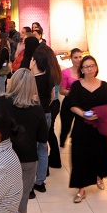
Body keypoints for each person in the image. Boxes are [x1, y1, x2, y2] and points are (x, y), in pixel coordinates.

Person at [0, 68, 47, 213]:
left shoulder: (0, 103)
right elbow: (42, 137)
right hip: (27, 159)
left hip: (2, 157)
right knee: (22, 197)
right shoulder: (37, 109)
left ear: (12, 81)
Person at [66, 55, 107, 203]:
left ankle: (98, 176)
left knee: (99, 154)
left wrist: (97, 113)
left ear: (96, 67)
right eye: (86, 66)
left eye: (92, 65)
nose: (90, 69)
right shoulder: (76, 86)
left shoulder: (103, 85)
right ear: (81, 69)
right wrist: (84, 114)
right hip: (82, 126)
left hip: (99, 126)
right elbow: (72, 105)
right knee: (80, 157)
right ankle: (81, 189)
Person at [30, 46, 54, 194]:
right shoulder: (49, 76)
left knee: (32, 150)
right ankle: (40, 182)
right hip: (47, 114)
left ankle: (31, 182)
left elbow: (33, 100)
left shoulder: (32, 79)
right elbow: (52, 96)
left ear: (35, 61)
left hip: (34, 117)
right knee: (43, 149)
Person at [40, 45, 62, 169]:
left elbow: (49, 92)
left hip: (50, 104)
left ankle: (52, 160)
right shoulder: (56, 68)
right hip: (55, 103)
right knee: (50, 132)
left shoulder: (47, 71)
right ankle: (55, 159)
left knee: (47, 133)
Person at [59, 48, 83, 147]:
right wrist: (75, 93)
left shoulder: (85, 72)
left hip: (82, 104)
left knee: (80, 127)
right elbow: (62, 90)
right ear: (71, 59)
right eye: (75, 57)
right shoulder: (65, 72)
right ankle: (61, 145)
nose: (78, 59)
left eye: (80, 57)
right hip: (69, 103)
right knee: (66, 127)